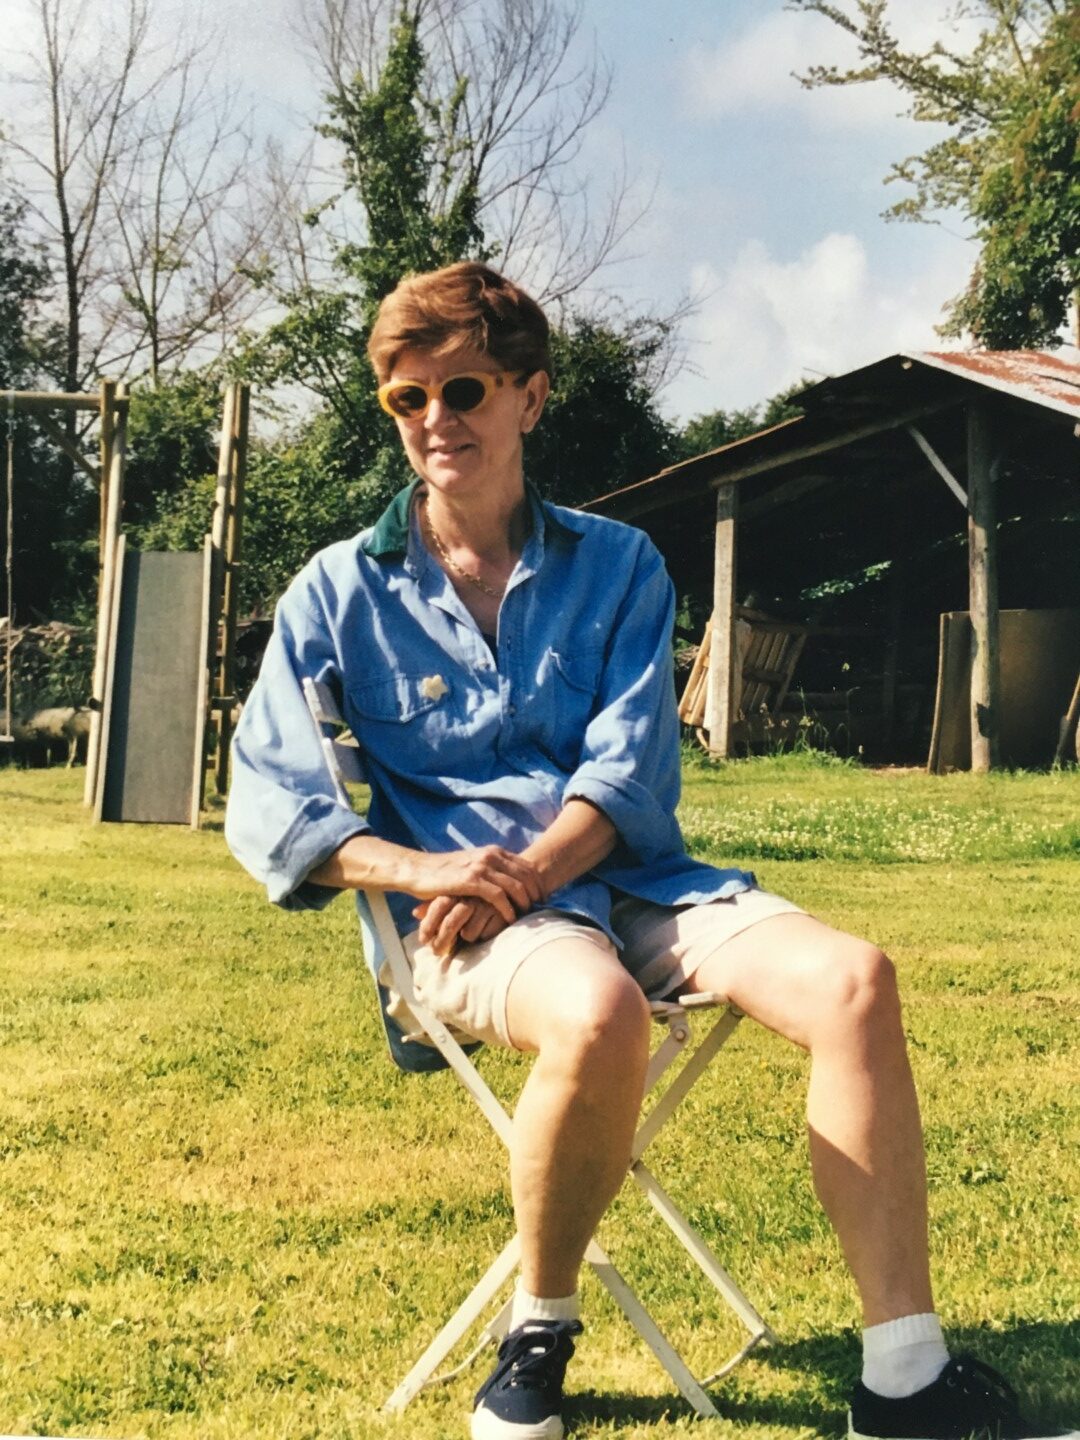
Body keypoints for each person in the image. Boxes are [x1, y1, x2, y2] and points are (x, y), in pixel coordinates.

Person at [225, 261, 1076, 1440]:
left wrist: (528, 870)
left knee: (855, 981)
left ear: (530, 395)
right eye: (405, 399)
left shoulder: (620, 565)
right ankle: (539, 1332)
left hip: (634, 884)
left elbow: (629, 776)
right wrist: (428, 872)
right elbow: (273, 803)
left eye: (462, 390)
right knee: (597, 1009)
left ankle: (905, 1377)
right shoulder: (336, 591)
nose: (434, 421)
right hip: (468, 924)